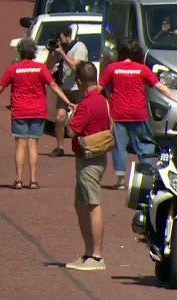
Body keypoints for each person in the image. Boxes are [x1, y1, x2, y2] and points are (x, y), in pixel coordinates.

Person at [0, 38, 75, 189]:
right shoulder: (41, 69)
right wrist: (67, 101)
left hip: (20, 111)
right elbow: (54, 86)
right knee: (33, 145)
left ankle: (18, 179)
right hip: (38, 112)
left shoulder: (14, 69)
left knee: (20, 145)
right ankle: (33, 180)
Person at [98, 39, 177, 190]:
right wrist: (175, 98)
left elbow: (99, 87)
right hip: (138, 114)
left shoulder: (112, 68)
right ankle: (145, 177)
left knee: (119, 147)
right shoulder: (142, 69)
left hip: (118, 114)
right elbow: (161, 87)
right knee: (144, 145)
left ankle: (120, 181)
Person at [65, 62, 110, 272]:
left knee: (92, 204)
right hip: (98, 156)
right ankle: (88, 252)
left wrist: (71, 115)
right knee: (81, 204)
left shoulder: (86, 104)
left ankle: (97, 256)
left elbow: (71, 131)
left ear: (80, 82)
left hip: (88, 159)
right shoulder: (103, 100)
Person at [49, 26, 90, 157]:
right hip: (64, 88)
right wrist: (54, 54)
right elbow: (48, 66)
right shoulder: (61, 49)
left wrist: (62, 54)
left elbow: (74, 65)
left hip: (78, 88)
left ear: (67, 36)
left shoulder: (79, 47)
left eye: (61, 38)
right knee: (59, 118)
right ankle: (59, 147)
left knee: (81, 119)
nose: (60, 41)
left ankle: (82, 146)